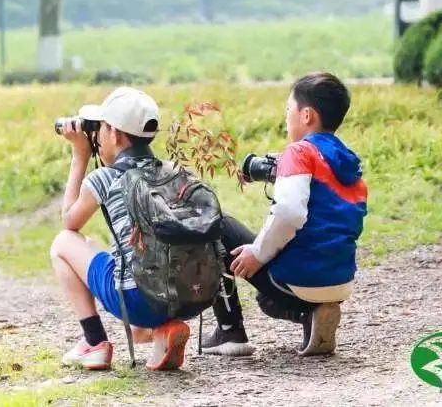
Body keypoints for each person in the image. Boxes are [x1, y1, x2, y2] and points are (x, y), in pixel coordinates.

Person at [202, 72, 368, 357]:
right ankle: (313, 316)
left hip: (302, 279)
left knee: (215, 223)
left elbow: (289, 213)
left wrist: (258, 252)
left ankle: (230, 331)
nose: (286, 117)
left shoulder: (300, 153)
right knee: (269, 297)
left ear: (306, 115)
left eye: (288, 110)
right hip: (340, 279)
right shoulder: (347, 161)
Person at [50, 87, 191, 371]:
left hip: (137, 300)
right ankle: (156, 330)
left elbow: (69, 222)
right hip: (187, 295)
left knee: (64, 243)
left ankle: (94, 343)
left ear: (114, 134)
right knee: (103, 248)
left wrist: (80, 155)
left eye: (101, 128)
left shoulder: (105, 177)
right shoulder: (173, 170)